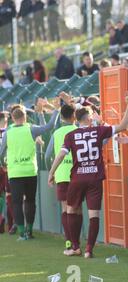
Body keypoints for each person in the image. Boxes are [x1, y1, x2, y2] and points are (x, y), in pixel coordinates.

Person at [48, 91, 128, 258]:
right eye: (91, 116)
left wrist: (52, 172)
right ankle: (89, 249)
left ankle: (75, 246)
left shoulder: (70, 135)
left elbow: (60, 155)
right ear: (87, 119)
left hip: (78, 178)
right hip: (95, 178)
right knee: (93, 213)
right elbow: (123, 125)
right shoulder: (99, 131)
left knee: (71, 210)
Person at [0, 100, 60, 240]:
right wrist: (56, 110)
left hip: (15, 173)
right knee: (30, 201)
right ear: (25, 116)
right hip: (30, 171)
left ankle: (21, 233)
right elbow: (50, 126)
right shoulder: (31, 129)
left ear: (13, 118)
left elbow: (1, 152)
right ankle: (29, 231)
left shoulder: (8, 133)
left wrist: (3, 164)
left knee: (16, 202)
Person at [45, 101, 77, 251]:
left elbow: (47, 155)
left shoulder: (56, 133)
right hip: (78, 175)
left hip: (62, 175)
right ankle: (76, 242)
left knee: (65, 209)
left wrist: (51, 172)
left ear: (62, 117)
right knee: (76, 210)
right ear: (73, 116)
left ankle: (69, 241)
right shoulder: (79, 130)